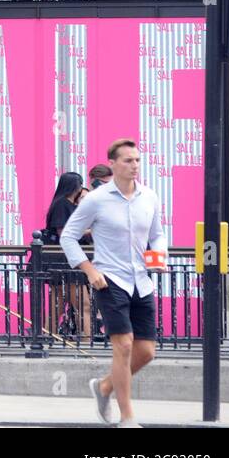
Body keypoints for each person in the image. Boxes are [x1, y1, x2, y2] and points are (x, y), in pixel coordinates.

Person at [61, 138, 167, 428]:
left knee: (146, 352)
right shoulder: (96, 199)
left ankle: (105, 387)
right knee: (124, 346)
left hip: (141, 281)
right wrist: (88, 269)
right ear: (112, 163)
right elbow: (68, 235)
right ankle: (127, 418)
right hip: (110, 280)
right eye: (127, 160)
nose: (134, 166)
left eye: (137, 160)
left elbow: (157, 234)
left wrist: (157, 257)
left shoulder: (149, 196)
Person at [39, 172, 88, 335]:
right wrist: (90, 231)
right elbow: (64, 232)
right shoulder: (62, 204)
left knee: (58, 303)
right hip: (66, 260)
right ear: (76, 187)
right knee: (83, 304)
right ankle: (88, 343)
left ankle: (47, 337)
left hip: (64, 259)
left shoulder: (64, 204)